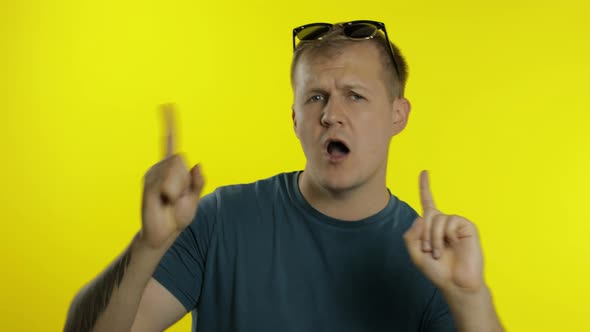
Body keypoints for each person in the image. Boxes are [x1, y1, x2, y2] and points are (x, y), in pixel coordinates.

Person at [64, 20, 504, 332]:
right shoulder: (219, 220)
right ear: (295, 118)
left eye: (354, 95)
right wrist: (149, 246)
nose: (332, 115)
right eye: (315, 97)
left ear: (397, 114)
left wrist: (469, 297)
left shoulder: (434, 257)